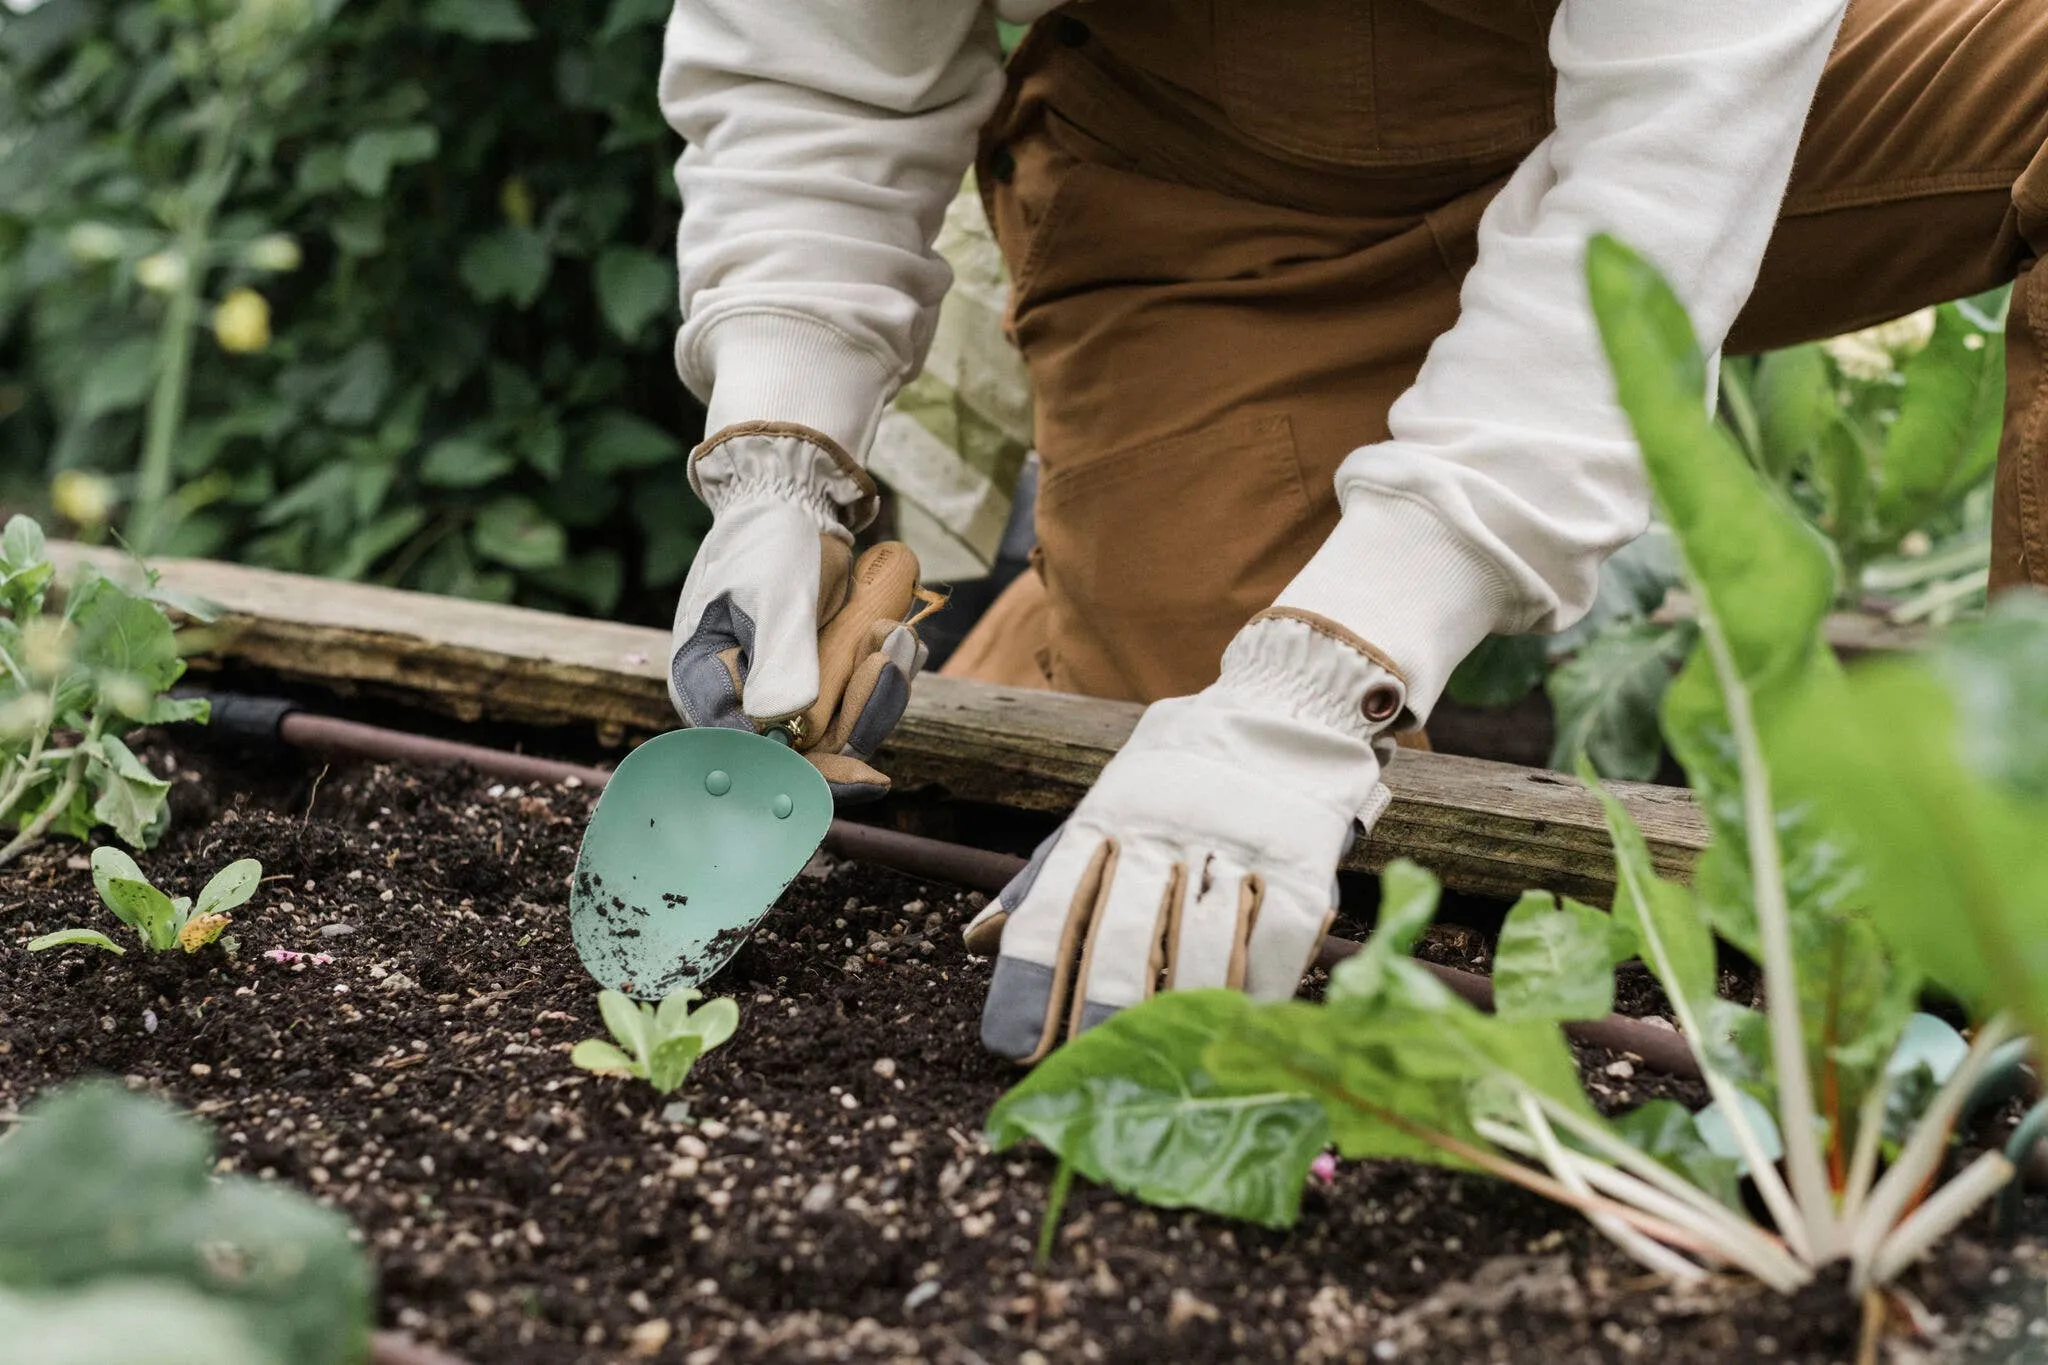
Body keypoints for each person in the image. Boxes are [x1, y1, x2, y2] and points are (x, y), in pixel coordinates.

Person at [658, 0, 2048, 1065]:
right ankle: (1032, 658)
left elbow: (1667, 155)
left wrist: (1332, 669)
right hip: (1221, 201)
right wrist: (781, 442)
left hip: (1708, 108)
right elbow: (818, 44)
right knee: (1195, 913)